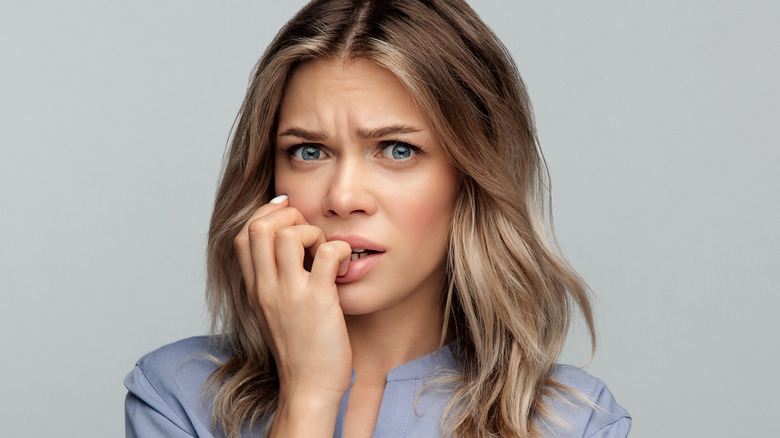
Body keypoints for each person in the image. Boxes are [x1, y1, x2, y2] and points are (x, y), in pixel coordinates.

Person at [124, 0, 631, 437]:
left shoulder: (569, 422)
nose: (343, 198)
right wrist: (308, 393)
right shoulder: (178, 396)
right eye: (307, 151)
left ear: (470, 176)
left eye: (396, 149)